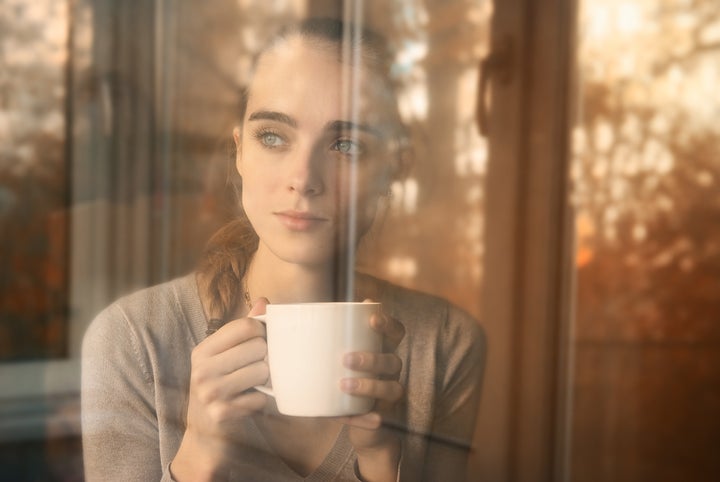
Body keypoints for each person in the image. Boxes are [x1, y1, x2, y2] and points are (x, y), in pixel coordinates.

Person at [81, 17, 486, 482]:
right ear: (239, 151)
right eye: (272, 136)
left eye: (346, 144)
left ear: (393, 170)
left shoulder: (445, 344)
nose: (303, 179)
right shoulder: (135, 341)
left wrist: (381, 464)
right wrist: (196, 458)